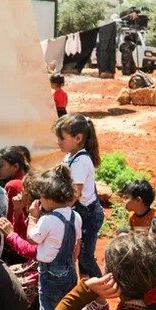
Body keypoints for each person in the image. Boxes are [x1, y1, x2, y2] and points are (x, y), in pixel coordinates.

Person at [25, 165, 82, 310]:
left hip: (50, 273)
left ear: (49, 199)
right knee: (67, 309)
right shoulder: (75, 216)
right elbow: (77, 246)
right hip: (69, 270)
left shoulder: (47, 220)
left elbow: (31, 240)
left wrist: (32, 217)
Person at [56, 114, 104, 279]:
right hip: (82, 214)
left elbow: (75, 194)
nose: (58, 142)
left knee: (85, 257)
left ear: (78, 138)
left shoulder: (80, 162)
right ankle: (88, 294)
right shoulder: (70, 157)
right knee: (81, 256)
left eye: (62, 138)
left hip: (88, 216)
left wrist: (56, 210)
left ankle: (102, 296)